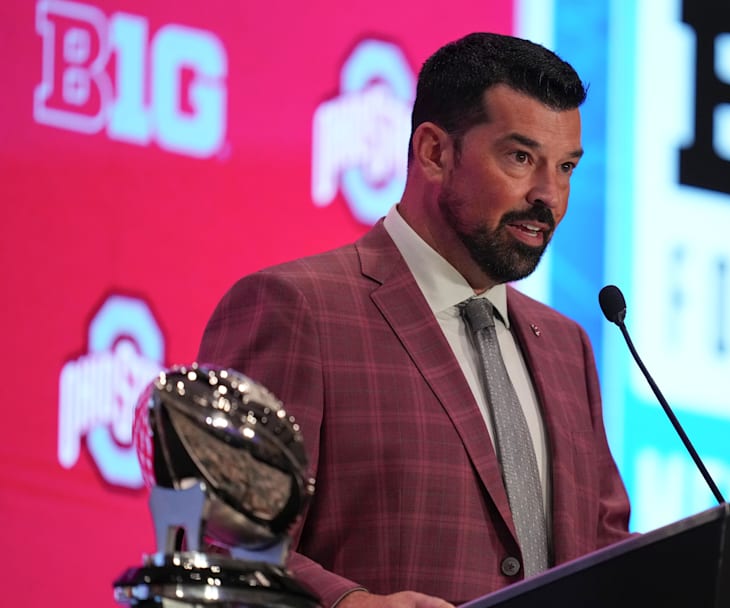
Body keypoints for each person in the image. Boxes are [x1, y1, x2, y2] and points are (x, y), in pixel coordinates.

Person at [197, 32, 632, 608]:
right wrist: (352, 605)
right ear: (433, 152)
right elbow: (221, 537)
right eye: (520, 158)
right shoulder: (299, 307)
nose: (548, 196)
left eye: (567, 167)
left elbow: (609, 557)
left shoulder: (565, 347)